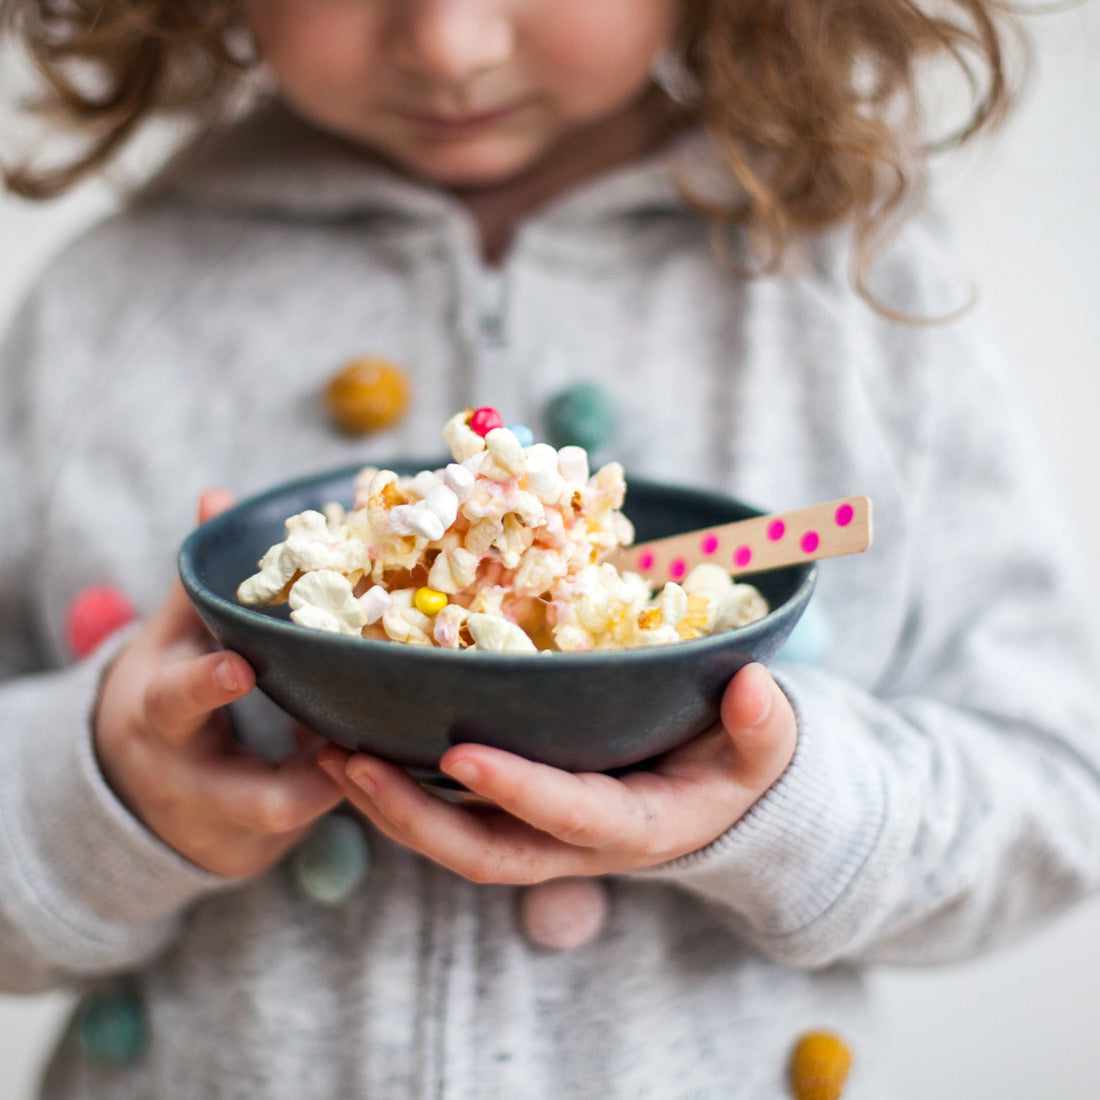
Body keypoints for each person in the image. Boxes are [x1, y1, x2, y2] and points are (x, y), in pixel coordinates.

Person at [1, 0, 1098, 1096]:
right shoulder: (108, 306)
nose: (449, 44)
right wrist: (102, 794)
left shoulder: (849, 288)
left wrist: (790, 805)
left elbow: (1056, 788)